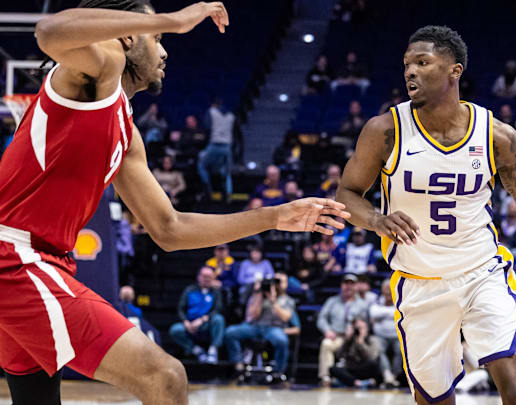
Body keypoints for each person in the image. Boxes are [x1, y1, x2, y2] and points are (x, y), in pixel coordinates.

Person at [0, 2, 349, 404]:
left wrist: (272, 216)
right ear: (129, 36)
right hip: (16, 258)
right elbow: (49, 31)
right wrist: (172, 20)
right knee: (165, 376)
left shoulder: (126, 134)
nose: (165, 52)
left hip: (40, 261)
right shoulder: (104, 62)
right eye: (158, 40)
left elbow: (170, 229)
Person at [336, 26, 516, 405]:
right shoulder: (385, 131)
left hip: (482, 272)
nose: (410, 71)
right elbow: (347, 194)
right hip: (420, 282)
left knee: (515, 388)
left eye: (422, 62)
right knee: (434, 400)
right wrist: (377, 220)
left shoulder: (496, 137)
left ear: (455, 70)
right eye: (406, 64)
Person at [224, 273, 295, 378]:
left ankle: (278, 372)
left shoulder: (287, 300)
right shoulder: (257, 296)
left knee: (282, 340)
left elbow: (286, 317)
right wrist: (259, 295)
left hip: (274, 328)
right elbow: (252, 316)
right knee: (230, 332)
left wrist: (273, 301)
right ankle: (238, 364)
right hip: (255, 326)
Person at [316, 273, 368, 386]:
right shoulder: (332, 301)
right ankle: (326, 377)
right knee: (326, 344)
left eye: (352, 283)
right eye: (346, 283)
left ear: (356, 286)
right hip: (337, 336)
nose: (348, 286)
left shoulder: (362, 304)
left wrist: (357, 329)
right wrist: (327, 330)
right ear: (341, 285)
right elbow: (321, 318)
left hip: (353, 340)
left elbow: (365, 323)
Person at [169, 266, 225, 364]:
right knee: (175, 330)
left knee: (219, 319)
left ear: (213, 278)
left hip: (207, 323)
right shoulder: (189, 290)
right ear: (198, 277)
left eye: (209, 277)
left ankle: (213, 351)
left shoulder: (216, 292)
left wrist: (202, 320)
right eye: (204, 276)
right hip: (189, 323)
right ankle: (197, 350)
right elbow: (181, 308)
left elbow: (217, 309)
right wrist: (185, 322)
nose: (206, 279)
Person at [329, 317, 383, 388]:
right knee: (333, 369)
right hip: (351, 369)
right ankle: (357, 383)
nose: (359, 331)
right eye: (357, 328)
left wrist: (361, 343)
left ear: (366, 329)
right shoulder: (350, 340)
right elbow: (339, 355)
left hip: (365, 368)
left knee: (374, 364)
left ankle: (351, 382)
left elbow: (372, 357)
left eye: (361, 328)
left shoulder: (373, 340)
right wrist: (347, 340)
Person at [198, 98, 235, 200]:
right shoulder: (232, 115)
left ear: (214, 105)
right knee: (226, 171)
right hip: (227, 147)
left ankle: (207, 190)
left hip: (214, 145)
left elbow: (207, 127)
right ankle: (227, 194)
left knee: (202, 165)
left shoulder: (211, 111)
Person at [369, 279, 403, 387]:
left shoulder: (400, 300)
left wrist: (382, 314)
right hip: (380, 336)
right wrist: (392, 313)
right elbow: (373, 313)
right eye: (385, 289)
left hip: (397, 336)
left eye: (390, 289)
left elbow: (402, 313)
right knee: (378, 349)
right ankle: (387, 375)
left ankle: (394, 376)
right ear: (382, 290)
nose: (388, 292)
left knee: (401, 349)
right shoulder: (377, 300)